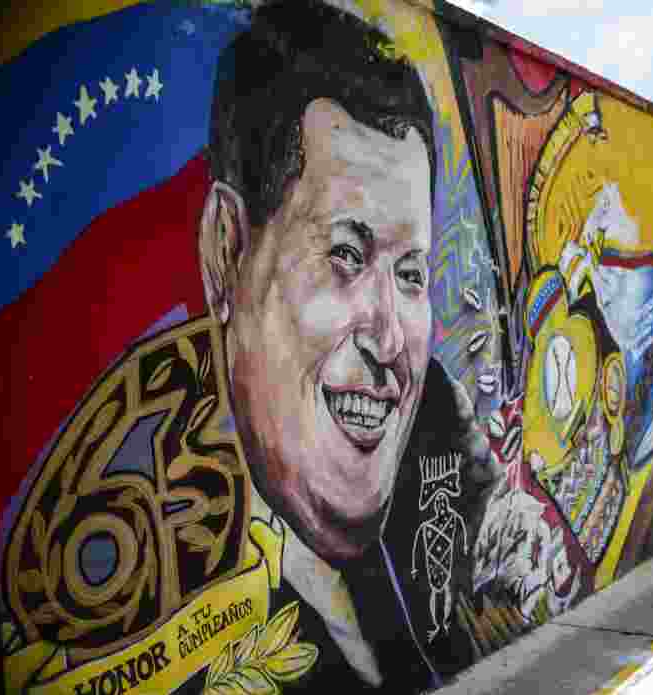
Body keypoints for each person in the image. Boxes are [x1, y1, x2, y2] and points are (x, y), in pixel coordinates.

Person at [199, 1, 498, 691]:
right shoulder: (151, 554)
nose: (390, 338)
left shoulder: (439, 425)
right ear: (228, 249)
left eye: (411, 274)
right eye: (345, 255)